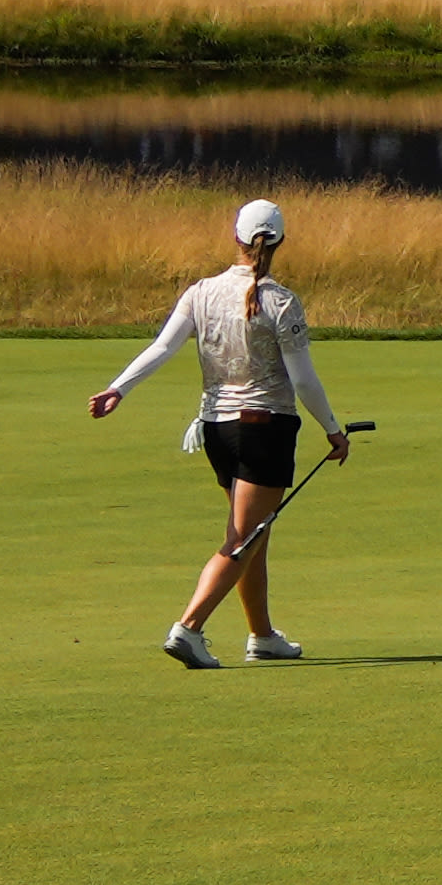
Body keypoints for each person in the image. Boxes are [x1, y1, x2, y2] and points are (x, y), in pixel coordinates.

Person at [87, 197, 349, 667]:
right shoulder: (282, 301)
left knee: (254, 533)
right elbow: (305, 380)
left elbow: (162, 348)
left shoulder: (200, 291)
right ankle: (188, 628)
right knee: (242, 539)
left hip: (216, 431)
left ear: (236, 238)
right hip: (265, 429)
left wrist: (117, 389)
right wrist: (333, 429)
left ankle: (262, 636)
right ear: (281, 242)